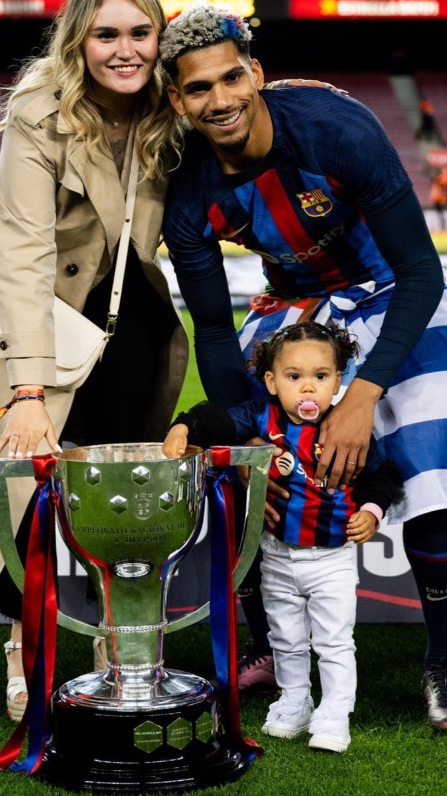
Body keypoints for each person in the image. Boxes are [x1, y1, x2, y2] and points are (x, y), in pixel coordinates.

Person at [159, 5, 447, 733]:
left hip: (393, 288)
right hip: (295, 302)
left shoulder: (339, 129)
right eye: (199, 88)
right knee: (241, 471)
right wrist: (253, 439)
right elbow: (214, 327)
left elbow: (421, 271)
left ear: (255, 73)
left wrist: (362, 395)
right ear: (177, 99)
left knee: (428, 470)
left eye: (231, 78)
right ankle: (271, 647)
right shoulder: (187, 188)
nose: (220, 99)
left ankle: (444, 663)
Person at [0, 0, 189, 721]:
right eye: (106, 34)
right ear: (78, 40)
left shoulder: (171, 100)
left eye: (140, 33)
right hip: (29, 300)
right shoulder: (38, 110)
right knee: (28, 480)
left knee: (124, 470)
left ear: (160, 38)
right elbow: (21, 250)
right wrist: (28, 389)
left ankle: (118, 637)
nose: (125, 50)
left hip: (124, 291)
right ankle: (23, 643)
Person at [163, 321, 404, 753]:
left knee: (334, 642)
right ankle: (295, 700)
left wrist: (371, 511)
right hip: (276, 555)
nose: (308, 388)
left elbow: (382, 477)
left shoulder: (348, 428)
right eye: (294, 377)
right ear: (272, 382)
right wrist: (185, 426)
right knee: (286, 639)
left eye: (321, 376)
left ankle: (334, 714)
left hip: (331, 560)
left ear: (338, 381)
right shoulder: (260, 416)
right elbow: (217, 420)